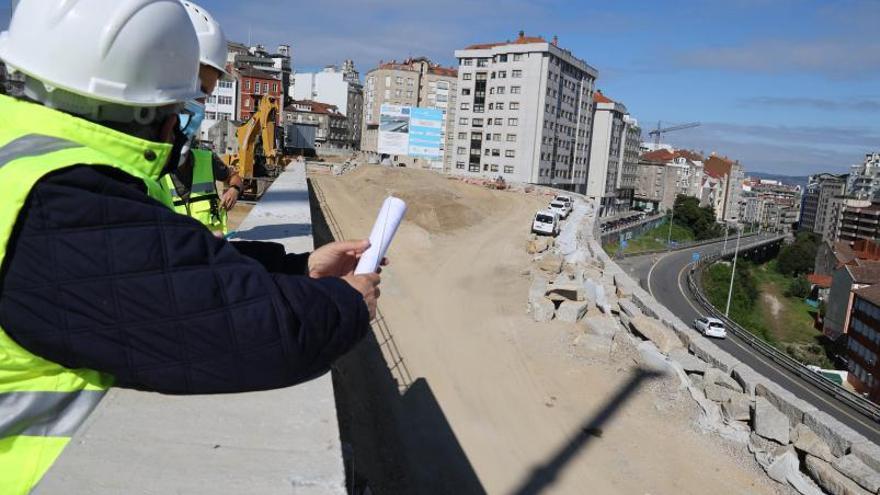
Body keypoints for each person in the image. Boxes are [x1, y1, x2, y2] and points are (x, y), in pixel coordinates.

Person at [0, 2, 380, 493]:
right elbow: (257, 332)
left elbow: (168, 261)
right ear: (146, 110)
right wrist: (348, 302)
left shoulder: (25, 158)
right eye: (183, 106)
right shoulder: (60, 200)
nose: (187, 122)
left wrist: (302, 266)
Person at [162, 1, 242, 235]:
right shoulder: (132, 178)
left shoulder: (204, 159)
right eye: (194, 93)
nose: (197, 109)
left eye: (204, 98)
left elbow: (235, 178)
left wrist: (233, 190)